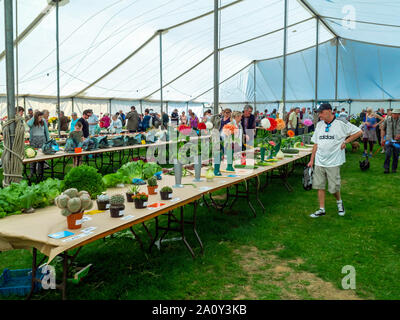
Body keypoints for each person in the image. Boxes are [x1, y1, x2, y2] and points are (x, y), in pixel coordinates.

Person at [307, 103, 362, 218]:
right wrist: (312, 160)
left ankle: (339, 203)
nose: (319, 115)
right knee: (319, 186)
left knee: (333, 188)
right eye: (318, 113)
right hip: (319, 161)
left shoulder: (341, 123)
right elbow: (316, 143)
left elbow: (359, 132)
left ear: (329, 111)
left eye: (321, 112)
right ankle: (321, 209)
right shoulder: (319, 125)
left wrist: (346, 142)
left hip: (334, 161)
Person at [27, 111, 50, 179]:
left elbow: (46, 131)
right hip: (33, 140)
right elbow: (29, 124)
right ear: (36, 116)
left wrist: (48, 141)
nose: (41, 118)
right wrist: (34, 117)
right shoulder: (32, 121)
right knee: (32, 156)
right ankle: (32, 172)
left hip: (42, 140)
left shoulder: (43, 121)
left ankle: (40, 173)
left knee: (41, 157)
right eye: (40, 117)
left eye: (41, 117)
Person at [381, 108, 400, 174]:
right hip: (388, 140)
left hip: (397, 142)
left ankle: (394, 169)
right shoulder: (387, 120)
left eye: (395, 114)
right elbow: (383, 129)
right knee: (387, 154)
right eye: (393, 113)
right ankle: (386, 169)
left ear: (398, 114)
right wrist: (382, 139)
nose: (393, 115)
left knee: (396, 155)